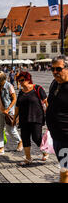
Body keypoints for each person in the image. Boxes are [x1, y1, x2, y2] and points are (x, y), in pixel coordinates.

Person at [13, 71, 49, 166]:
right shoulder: (21, 92)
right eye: (19, 80)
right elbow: (17, 107)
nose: (20, 82)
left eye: (22, 80)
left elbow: (46, 102)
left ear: (28, 79)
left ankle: (45, 152)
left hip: (37, 117)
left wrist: (50, 114)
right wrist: (14, 118)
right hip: (24, 118)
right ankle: (28, 158)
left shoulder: (37, 88)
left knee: (36, 137)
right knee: (25, 138)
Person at [46, 55, 68, 183]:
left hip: (66, 138)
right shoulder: (55, 83)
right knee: (64, 168)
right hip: (57, 137)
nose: (55, 72)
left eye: (58, 69)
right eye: (52, 69)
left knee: (65, 171)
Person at [0, 71, 23, 155]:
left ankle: (19, 141)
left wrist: (8, 109)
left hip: (8, 112)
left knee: (10, 130)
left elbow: (14, 99)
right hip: (0, 111)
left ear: (2, 79)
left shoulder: (9, 86)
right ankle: (1, 148)